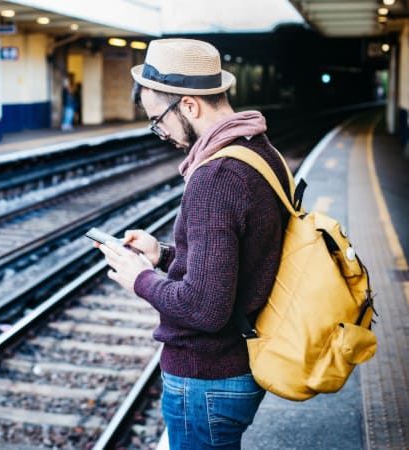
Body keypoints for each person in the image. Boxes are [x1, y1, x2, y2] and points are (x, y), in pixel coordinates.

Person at [96, 38, 291, 449]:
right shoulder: (260, 151)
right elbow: (239, 259)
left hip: (207, 377)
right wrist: (163, 254)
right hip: (236, 366)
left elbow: (203, 308)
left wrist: (140, 278)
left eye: (158, 120)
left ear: (188, 105)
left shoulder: (214, 177)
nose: (160, 132)